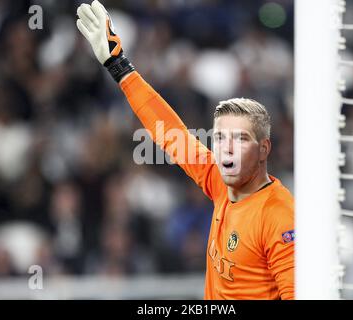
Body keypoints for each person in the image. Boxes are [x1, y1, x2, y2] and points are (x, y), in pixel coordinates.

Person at [76, 0, 294, 300]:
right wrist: (120, 67)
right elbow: (171, 134)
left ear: (263, 149)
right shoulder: (221, 183)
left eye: (241, 139)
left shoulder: (278, 216)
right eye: (221, 138)